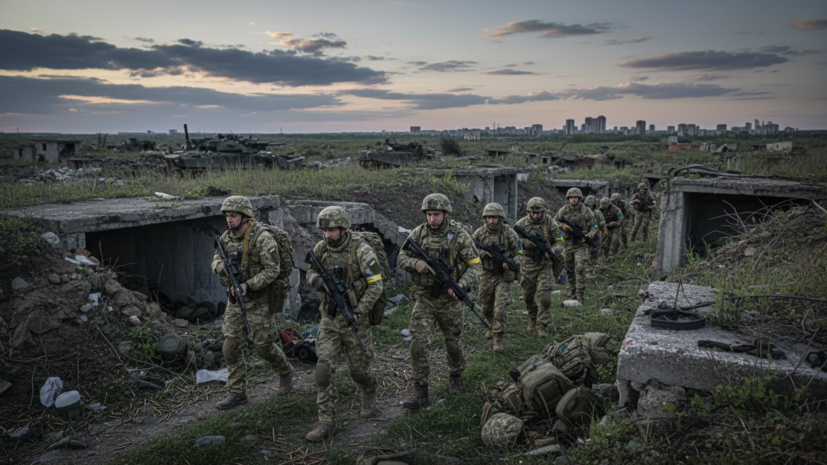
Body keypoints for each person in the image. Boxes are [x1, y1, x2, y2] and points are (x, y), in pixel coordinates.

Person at [304, 206, 383, 442]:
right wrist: (318, 280)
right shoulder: (321, 249)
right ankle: (326, 422)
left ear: (344, 228)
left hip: (356, 320)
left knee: (359, 371)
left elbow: (376, 285)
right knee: (323, 371)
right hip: (329, 320)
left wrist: (359, 310)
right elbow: (309, 271)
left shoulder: (362, 250)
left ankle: (369, 390)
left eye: (331, 230)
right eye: (324, 230)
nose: (327, 235)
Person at [397, 193, 481, 409]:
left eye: (436, 215)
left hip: (450, 300)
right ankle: (421, 390)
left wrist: (461, 284)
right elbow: (401, 257)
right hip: (425, 297)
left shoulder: (460, 236)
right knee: (418, 343)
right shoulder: (419, 233)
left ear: (445, 214)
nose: (431, 219)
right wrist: (416, 264)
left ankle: (455, 378)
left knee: (453, 342)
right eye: (429, 214)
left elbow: (475, 265)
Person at [211, 196, 294, 410]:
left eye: (233, 216)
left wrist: (249, 284)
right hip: (235, 300)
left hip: (260, 300)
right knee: (230, 346)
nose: (229, 220)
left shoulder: (262, 238)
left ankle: (286, 372)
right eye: (227, 216)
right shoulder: (226, 238)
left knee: (263, 347)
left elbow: (272, 270)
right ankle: (237, 392)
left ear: (245, 217)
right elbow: (215, 258)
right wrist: (219, 266)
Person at [472, 203, 523, 352]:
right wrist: (482, 253)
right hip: (487, 273)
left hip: (503, 275)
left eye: (494, 217)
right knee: (486, 306)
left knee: (500, 308)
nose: (491, 220)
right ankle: (491, 324)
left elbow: (519, 252)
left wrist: (512, 263)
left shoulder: (509, 233)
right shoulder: (479, 233)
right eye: (488, 217)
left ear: (500, 218)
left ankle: (498, 338)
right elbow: (470, 248)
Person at [514, 197, 563, 338]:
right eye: (533, 213)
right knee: (527, 296)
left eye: (538, 213)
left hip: (544, 264)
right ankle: (532, 317)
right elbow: (513, 243)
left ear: (543, 211)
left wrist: (553, 251)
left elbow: (560, 242)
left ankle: (542, 325)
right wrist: (527, 243)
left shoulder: (550, 223)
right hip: (528, 263)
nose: (535, 215)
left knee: (545, 297)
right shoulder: (521, 224)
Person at [554, 188, 598, 302]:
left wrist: (589, 236)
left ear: (579, 198)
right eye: (571, 198)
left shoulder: (586, 211)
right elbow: (554, 222)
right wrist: (563, 226)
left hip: (580, 245)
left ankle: (580, 295)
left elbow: (594, 226)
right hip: (567, 244)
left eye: (576, 198)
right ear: (568, 198)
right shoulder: (563, 210)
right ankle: (571, 293)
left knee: (580, 268)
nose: (573, 200)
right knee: (569, 269)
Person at [583, 195, 605, 272]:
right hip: (585, 236)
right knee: (585, 254)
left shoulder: (598, 213)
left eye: (591, 205)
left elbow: (602, 223)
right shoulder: (582, 212)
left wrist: (600, 229)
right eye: (588, 205)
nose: (590, 207)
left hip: (595, 236)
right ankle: (587, 269)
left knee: (595, 253)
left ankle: (593, 268)